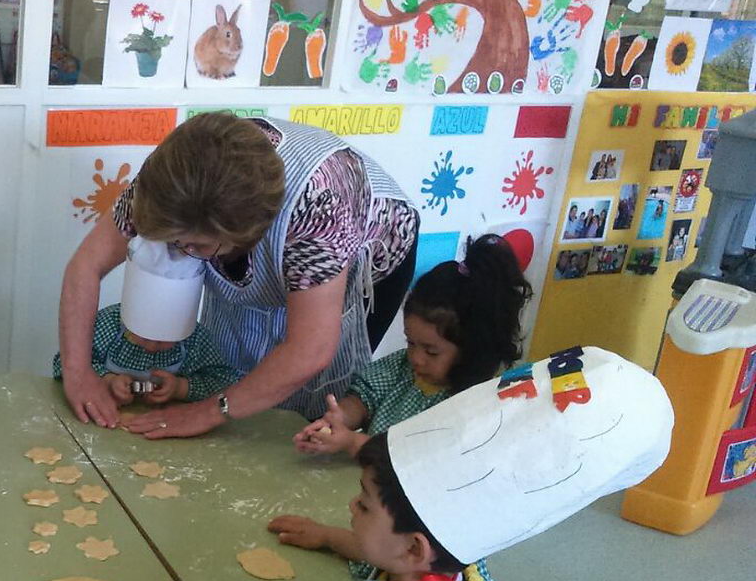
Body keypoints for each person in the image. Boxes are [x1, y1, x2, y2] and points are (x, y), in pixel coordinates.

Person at [73, 346, 674, 581]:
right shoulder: (467, 577)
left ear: (412, 548)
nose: (351, 507)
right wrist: (338, 538)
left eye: (362, 505)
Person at [59, 112, 420, 438]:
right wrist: (78, 374)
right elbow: (86, 266)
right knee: (233, 375)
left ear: (245, 235)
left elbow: (310, 350)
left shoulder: (319, 205)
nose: (182, 252)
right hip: (263, 237)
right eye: (175, 242)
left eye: (196, 247)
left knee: (298, 405)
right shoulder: (169, 180)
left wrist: (207, 413)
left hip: (370, 259)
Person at [294, 234, 532, 457]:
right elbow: (365, 397)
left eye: (431, 351)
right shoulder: (402, 367)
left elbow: (409, 462)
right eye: (410, 342)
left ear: (473, 350)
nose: (415, 357)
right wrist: (341, 417)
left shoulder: (479, 402)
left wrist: (352, 442)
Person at [52, 237, 238, 407]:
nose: (151, 346)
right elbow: (63, 362)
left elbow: (224, 382)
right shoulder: (107, 325)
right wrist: (107, 380)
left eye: (164, 339)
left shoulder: (196, 340)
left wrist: (180, 388)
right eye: (142, 335)